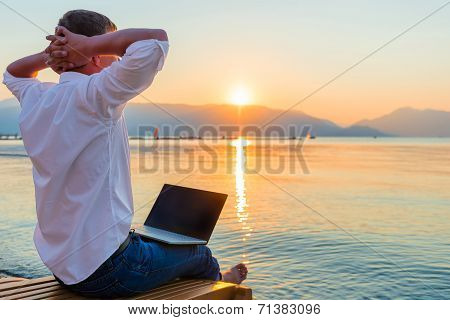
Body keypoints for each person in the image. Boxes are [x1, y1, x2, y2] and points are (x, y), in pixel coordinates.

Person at [3, 9, 247, 298]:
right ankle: (223, 282)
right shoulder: (98, 94)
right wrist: (88, 45)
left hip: (64, 267)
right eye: (112, 51)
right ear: (94, 55)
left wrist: (53, 53)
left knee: (152, 239)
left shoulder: (37, 98)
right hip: (109, 271)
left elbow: (12, 72)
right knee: (199, 253)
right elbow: (156, 40)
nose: (117, 57)